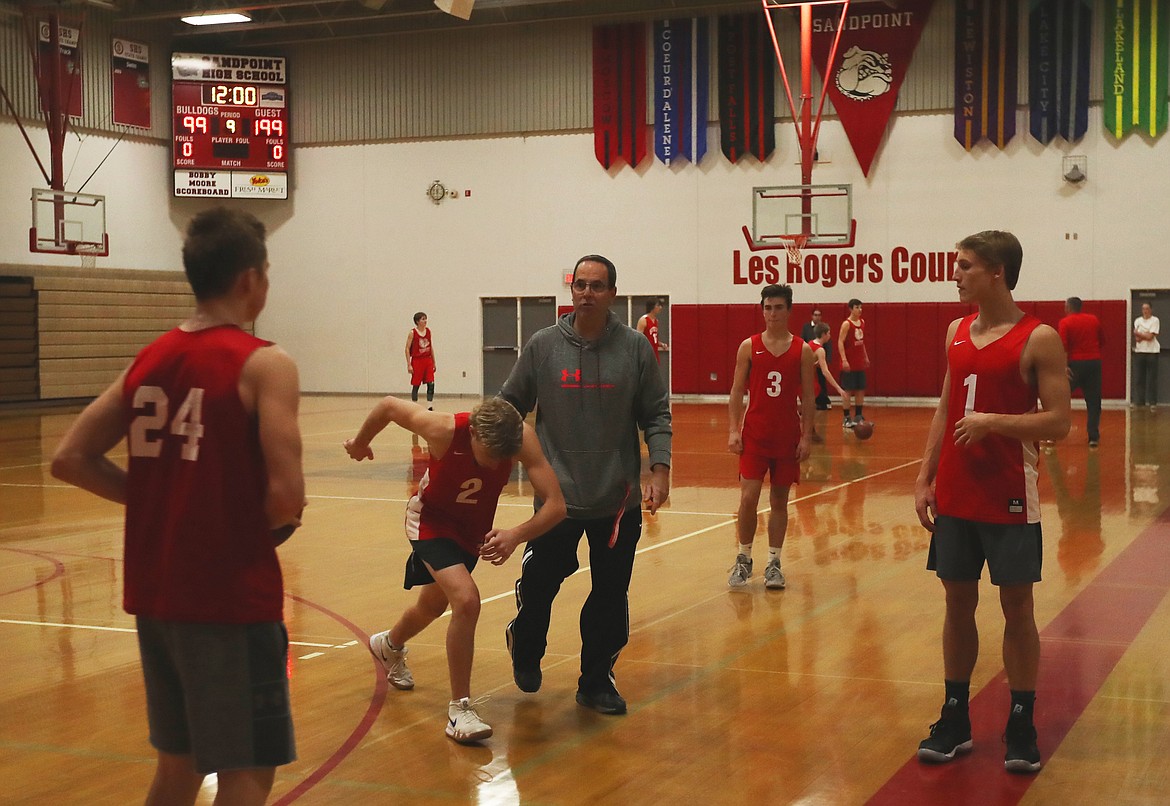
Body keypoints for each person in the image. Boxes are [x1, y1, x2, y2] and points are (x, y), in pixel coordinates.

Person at [50, 207, 305, 806]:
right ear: (250, 279)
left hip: (156, 594)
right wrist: (223, 524)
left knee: (179, 768)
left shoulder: (151, 359)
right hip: (228, 598)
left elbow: (70, 457)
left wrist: (164, 503)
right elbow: (287, 500)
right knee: (247, 774)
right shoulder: (265, 363)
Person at [913, 230, 1070, 774]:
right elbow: (944, 408)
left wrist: (993, 424)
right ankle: (955, 716)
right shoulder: (957, 331)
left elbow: (1060, 421)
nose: (955, 274)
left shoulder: (1039, 337)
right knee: (957, 605)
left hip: (1009, 497)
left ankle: (1021, 722)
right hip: (956, 496)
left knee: (1016, 609)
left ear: (997, 271)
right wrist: (924, 477)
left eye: (965, 266)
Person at [501, 254, 671, 716]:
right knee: (540, 585)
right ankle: (526, 641)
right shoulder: (542, 346)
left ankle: (596, 681)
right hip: (556, 501)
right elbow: (508, 407)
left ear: (612, 293)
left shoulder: (635, 348)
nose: (587, 293)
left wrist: (660, 468)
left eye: (597, 286)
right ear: (571, 290)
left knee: (610, 596)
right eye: (580, 285)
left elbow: (656, 413)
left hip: (617, 501)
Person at [344, 396, 564, 744]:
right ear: (474, 433)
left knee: (433, 605)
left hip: (470, 531)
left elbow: (556, 505)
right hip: (430, 521)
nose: (496, 466)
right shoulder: (443, 429)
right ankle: (460, 710)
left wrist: (515, 535)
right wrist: (360, 443)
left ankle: (388, 645)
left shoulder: (519, 437)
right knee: (467, 600)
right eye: (490, 456)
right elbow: (388, 406)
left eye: (503, 459)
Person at [727, 284, 815, 590]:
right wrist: (733, 430)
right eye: (768, 307)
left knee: (780, 500)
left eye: (778, 307)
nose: (772, 313)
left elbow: (809, 397)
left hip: (786, 438)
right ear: (762, 310)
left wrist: (806, 437)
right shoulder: (749, 346)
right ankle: (743, 558)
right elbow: (737, 391)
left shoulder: (803, 350)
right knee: (748, 498)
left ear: (789, 310)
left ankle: (774, 563)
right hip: (755, 436)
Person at [1058, 297, 1104, 446]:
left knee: (1060, 397)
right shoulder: (1093, 320)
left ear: (1069, 308)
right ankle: (1093, 437)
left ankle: (1053, 433)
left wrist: (1064, 367)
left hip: (1075, 365)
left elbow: (1063, 347)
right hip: (1094, 363)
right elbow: (1102, 340)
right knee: (1093, 401)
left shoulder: (1065, 322)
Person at [808, 322, 847, 443]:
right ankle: (807, 432)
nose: (830, 335)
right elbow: (825, 372)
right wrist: (839, 389)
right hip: (807, 381)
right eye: (829, 333)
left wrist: (814, 365)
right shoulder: (820, 350)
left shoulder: (809, 343)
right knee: (815, 407)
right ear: (824, 334)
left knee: (812, 406)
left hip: (805, 379)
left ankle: (810, 431)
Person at [837, 298, 870, 428]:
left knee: (860, 389)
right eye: (857, 307)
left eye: (861, 307)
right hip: (849, 363)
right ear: (851, 309)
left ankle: (858, 416)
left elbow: (862, 343)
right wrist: (844, 359)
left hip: (859, 362)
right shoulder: (846, 324)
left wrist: (865, 357)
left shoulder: (862, 322)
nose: (860, 310)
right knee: (848, 390)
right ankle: (846, 417)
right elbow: (840, 342)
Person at [801, 307, 833, 410]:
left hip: (816, 366)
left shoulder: (818, 345)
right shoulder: (814, 345)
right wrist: (839, 389)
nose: (817, 317)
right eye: (815, 315)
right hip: (807, 374)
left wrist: (825, 360)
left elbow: (828, 346)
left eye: (819, 315)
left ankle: (822, 402)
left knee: (820, 384)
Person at [1133, 302, 1161, 410]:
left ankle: (1153, 402)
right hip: (1140, 351)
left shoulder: (1155, 320)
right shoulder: (1137, 321)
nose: (1145, 311)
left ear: (1151, 309)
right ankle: (1140, 402)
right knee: (1139, 378)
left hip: (1152, 352)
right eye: (1143, 308)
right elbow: (1137, 337)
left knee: (1152, 378)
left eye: (1147, 308)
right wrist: (1144, 334)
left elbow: (1150, 336)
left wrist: (1142, 334)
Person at [406, 312, 436, 409]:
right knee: (416, 384)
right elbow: (407, 348)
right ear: (417, 321)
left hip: (427, 360)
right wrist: (409, 364)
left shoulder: (428, 331)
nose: (425, 321)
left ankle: (430, 406)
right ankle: (414, 405)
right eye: (423, 319)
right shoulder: (412, 333)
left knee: (431, 383)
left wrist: (434, 362)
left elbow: (430, 347)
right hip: (417, 361)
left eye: (425, 319)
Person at [636, 298, 669, 362]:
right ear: (652, 307)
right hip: (645, 354)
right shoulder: (643, 320)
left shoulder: (656, 321)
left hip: (654, 353)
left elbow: (653, 339)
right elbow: (638, 339)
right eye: (658, 305)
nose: (660, 308)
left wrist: (661, 344)